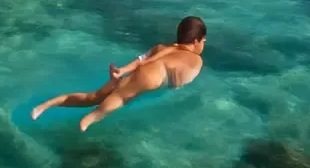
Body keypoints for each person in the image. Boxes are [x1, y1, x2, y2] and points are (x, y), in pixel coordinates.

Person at [31, 16, 207, 132]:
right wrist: (177, 84)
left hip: (143, 69)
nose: (203, 45)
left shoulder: (162, 46)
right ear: (196, 41)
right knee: (121, 99)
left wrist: (122, 71)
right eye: (203, 41)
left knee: (93, 96)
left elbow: (141, 59)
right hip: (155, 75)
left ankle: (43, 106)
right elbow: (184, 78)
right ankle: (89, 120)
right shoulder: (196, 59)